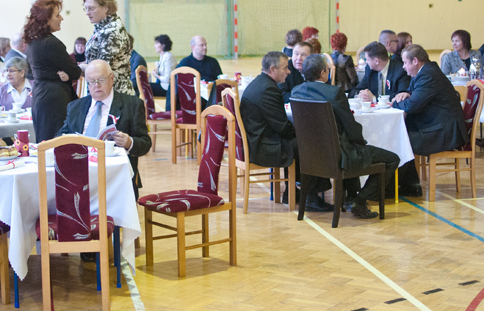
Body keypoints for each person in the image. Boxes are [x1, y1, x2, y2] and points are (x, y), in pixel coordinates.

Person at [291, 54, 400, 219]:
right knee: (392, 159)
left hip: (310, 155)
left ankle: (352, 196)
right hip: (338, 155)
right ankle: (359, 200)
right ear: (323, 73)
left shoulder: (296, 91)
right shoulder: (334, 92)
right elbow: (350, 125)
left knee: (352, 146)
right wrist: (360, 141)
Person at [240, 52, 332, 212]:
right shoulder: (268, 89)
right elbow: (283, 127)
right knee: (311, 143)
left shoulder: (260, 83)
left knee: (303, 141)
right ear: (272, 69)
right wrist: (306, 134)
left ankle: (293, 191)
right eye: (285, 68)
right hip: (262, 146)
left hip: (257, 139)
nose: (288, 72)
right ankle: (311, 196)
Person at [57, 60, 151, 199]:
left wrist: (129, 142)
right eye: (91, 81)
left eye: (101, 80)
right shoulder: (75, 107)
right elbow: (60, 135)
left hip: (114, 178)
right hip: (77, 174)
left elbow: (145, 143)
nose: (96, 85)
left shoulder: (132, 105)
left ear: (111, 79)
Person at [393, 44, 468, 158]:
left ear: (415, 61)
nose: (403, 66)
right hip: (437, 124)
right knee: (401, 132)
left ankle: (407, 170)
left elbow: (411, 106)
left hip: (445, 132)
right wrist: (406, 94)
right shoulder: (426, 70)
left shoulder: (428, 74)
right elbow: (413, 93)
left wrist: (395, 102)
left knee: (399, 138)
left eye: (405, 62)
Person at [25, 0, 82, 141]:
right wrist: (62, 75)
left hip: (39, 96)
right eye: (57, 15)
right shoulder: (52, 43)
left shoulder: (31, 42)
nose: (61, 18)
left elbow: (30, 73)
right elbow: (75, 72)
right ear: (46, 19)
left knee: (44, 141)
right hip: (55, 99)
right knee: (58, 143)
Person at [83, 0, 134, 95]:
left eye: (91, 8)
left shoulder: (111, 30)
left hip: (115, 94)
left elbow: (100, 69)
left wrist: (78, 69)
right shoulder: (102, 27)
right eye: (85, 8)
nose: (87, 13)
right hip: (104, 92)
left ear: (106, 8)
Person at [167, 35, 223, 111]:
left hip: (211, 99)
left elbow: (220, 81)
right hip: (191, 101)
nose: (205, 47)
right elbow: (175, 85)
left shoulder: (213, 62)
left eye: (205, 45)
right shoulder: (184, 63)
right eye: (201, 45)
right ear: (193, 47)